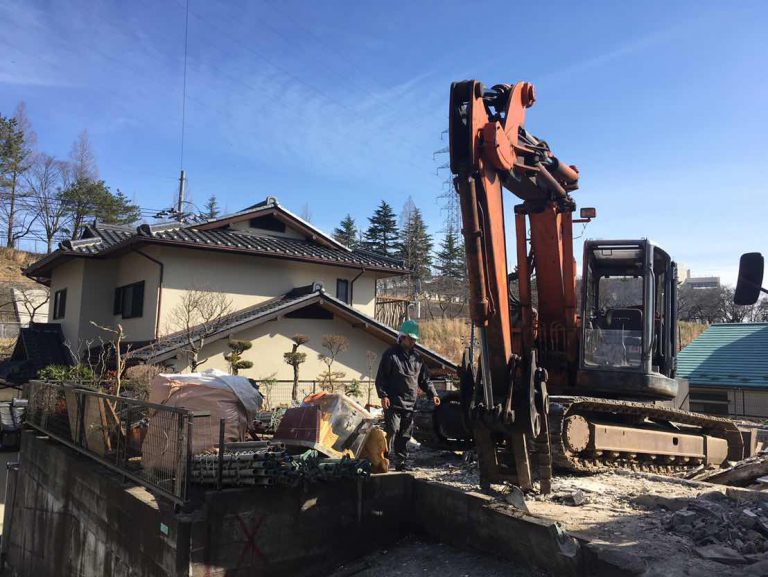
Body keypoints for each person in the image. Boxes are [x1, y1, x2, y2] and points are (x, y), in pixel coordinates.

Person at [375, 319, 440, 471]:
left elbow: (424, 380)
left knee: (405, 434)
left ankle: (401, 463)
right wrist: (383, 396)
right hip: (393, 402)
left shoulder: (417, 358)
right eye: (410, 339)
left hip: (410, 403)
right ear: (402, 337)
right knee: (392, 430)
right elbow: (381, 378)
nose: (412, 342)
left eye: (414, 339)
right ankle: (383, 459)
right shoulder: (390, 355)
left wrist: (433, 394)